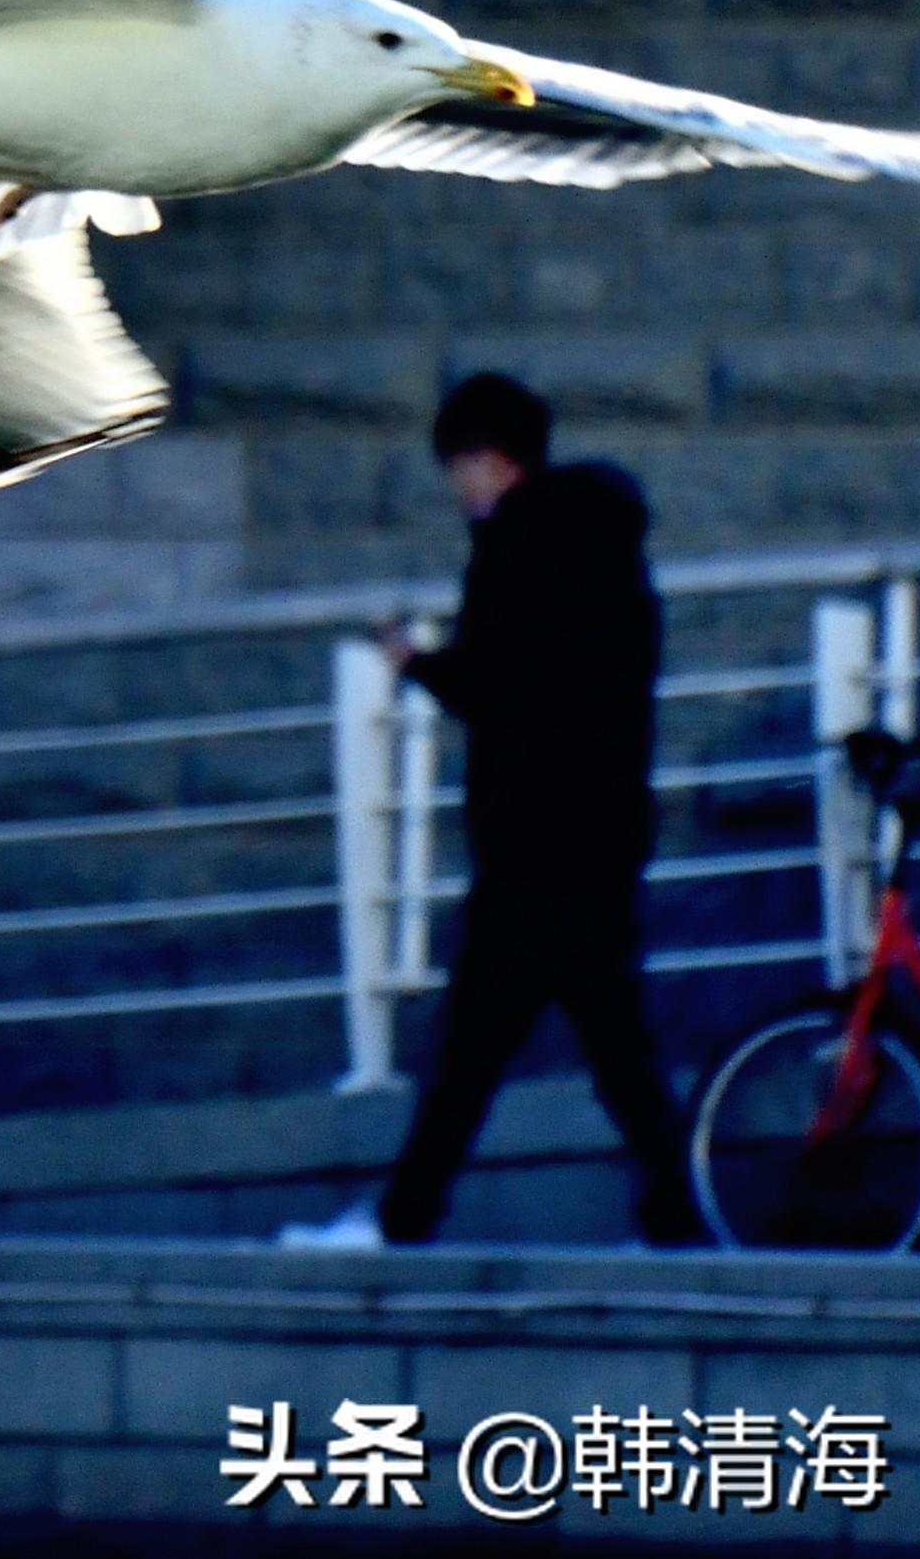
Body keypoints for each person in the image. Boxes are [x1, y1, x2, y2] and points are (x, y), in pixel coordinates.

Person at [285, 372, 700, 1250]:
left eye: (460, 469)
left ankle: (403, 1222)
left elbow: (497, 681)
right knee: (616, 1048)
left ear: (485, 459)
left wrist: (412, 661)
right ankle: (678, 1218)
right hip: (606, 827)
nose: (459, 490)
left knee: (473, 1048)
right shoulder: (614, 551)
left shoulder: (515, 544)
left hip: (533, 839)